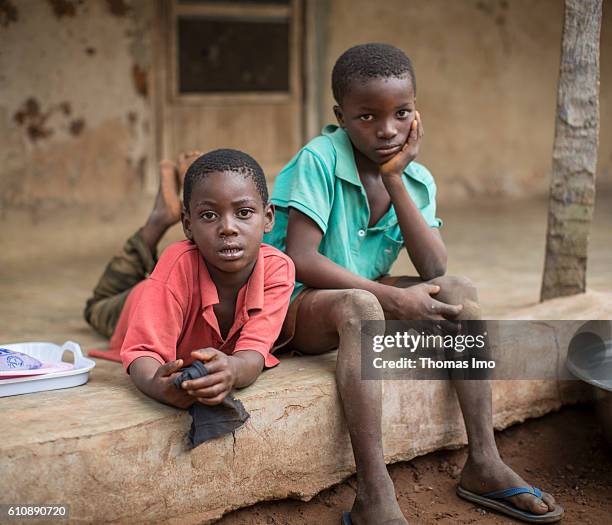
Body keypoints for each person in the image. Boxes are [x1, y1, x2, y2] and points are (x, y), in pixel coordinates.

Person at [265, 43, 563, 524]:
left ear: (415, 114)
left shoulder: (417, 178)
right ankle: (373, 492)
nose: (387, 129)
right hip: (298, 310)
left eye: (401, 113)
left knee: (459, 291)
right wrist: (388, 298)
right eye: (367, 117)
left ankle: (484, 460)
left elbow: (432, 266)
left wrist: (396, 179)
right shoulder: (318, 160)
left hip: (363, 293)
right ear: (342, 116)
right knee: (362, 306)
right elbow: (299, 259)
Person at [84, 149, 294, 409]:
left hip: (168, 285)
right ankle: (159, 219)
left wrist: (234, 368)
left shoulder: (278, 269)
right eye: (209, 215)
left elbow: (253, 353)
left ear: (268, 218)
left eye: (243, 212)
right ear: (187, 225)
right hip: (140, 302)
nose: (228, 227)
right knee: (96, 307)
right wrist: (153, 383)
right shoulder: (177, 263)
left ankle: (191, 200)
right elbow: (142, 351)